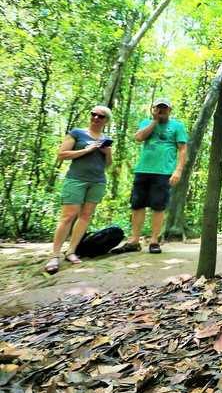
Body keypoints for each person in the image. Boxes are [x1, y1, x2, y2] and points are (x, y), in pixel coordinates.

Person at [45, 106, 113, 274]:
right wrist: (87, 149)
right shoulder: (77, 133)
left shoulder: (106, 139)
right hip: (76, 179)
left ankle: (71, 251)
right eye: (93, 114)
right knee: (68, 216)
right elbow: (62, 154)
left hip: (97, 181)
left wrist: (107, 153)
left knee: (85, 216)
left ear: (106, 120)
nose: (96, 118)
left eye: (101, 116)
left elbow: (108, 165)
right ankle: (54, 256)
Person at [120, 97, 188, 254]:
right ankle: (134, 240)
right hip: (143, 170)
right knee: (137, 205)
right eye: (159, 108)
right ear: (154, 109)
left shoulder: (177, 126)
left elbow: (182, 149)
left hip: (163, 172)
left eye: (165, 108)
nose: (162, 110)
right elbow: (138, 138)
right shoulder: (146, 123)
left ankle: (154, 240)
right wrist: (154, 121)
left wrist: (178, 170)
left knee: (158, 206)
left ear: (170, 110)